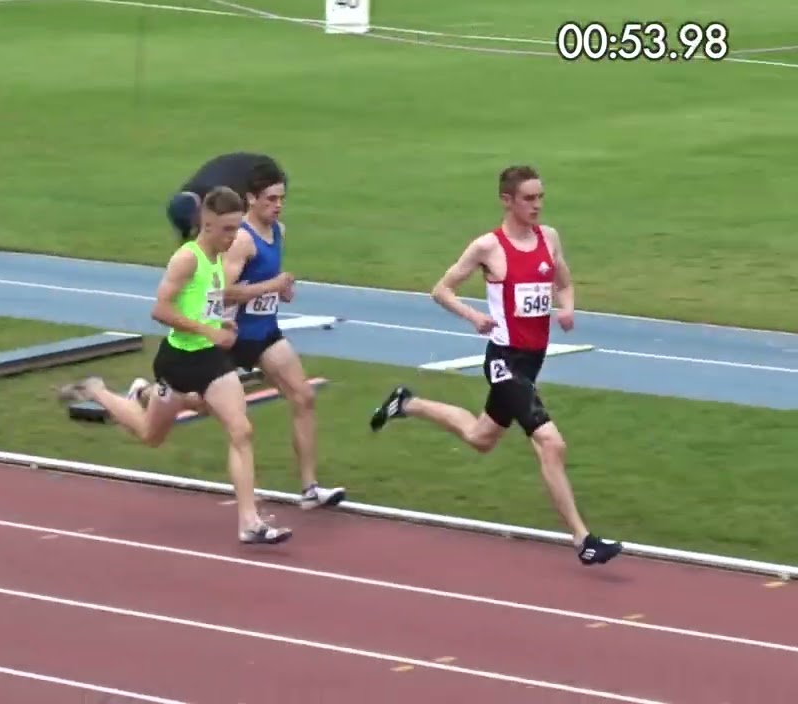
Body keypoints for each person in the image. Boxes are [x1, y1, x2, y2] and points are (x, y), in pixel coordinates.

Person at [367, 165, 623, 566]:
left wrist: (568, 309)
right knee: (551, 443)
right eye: (529, 199)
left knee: (480, 437)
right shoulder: (489, 247)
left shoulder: (549, 238)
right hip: (504, 361)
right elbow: (441, 290)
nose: (537, 205)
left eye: (541, 198)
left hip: (533, 360)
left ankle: (408, 403)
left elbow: (565, 283)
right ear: (507, 200)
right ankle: (583, 539)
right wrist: (474, 318)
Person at [57, 186, 292, 545]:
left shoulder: (218, 258)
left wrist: (220, 327)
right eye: (228, 229)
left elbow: (206, 306)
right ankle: (99, 390)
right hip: (178, 361)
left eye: (237, 228)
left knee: (241, 430)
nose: (234, 237)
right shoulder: (188, 259)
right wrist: (206, 331)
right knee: (151, 437)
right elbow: (161, 310)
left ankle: (249, 522)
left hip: (211, 361)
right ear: (207, 224)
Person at [218, 161, 346, 510]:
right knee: (191, 403)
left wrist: (279, 292)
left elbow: (263, 286)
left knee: (303, 397)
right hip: (230, 337)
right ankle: (149, 393)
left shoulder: (280, 232)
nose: (278, 205)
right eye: (271, 199)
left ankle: (309, 489)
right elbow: (224, 293)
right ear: (251, 199)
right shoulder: (241, 240)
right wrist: (271, 286)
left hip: (264, 336)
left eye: (281, 199)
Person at [165, 152, 286, 241]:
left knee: (248, 231)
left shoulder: (220, 194)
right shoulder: (184, 199)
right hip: (235, 173)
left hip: (263, 171)